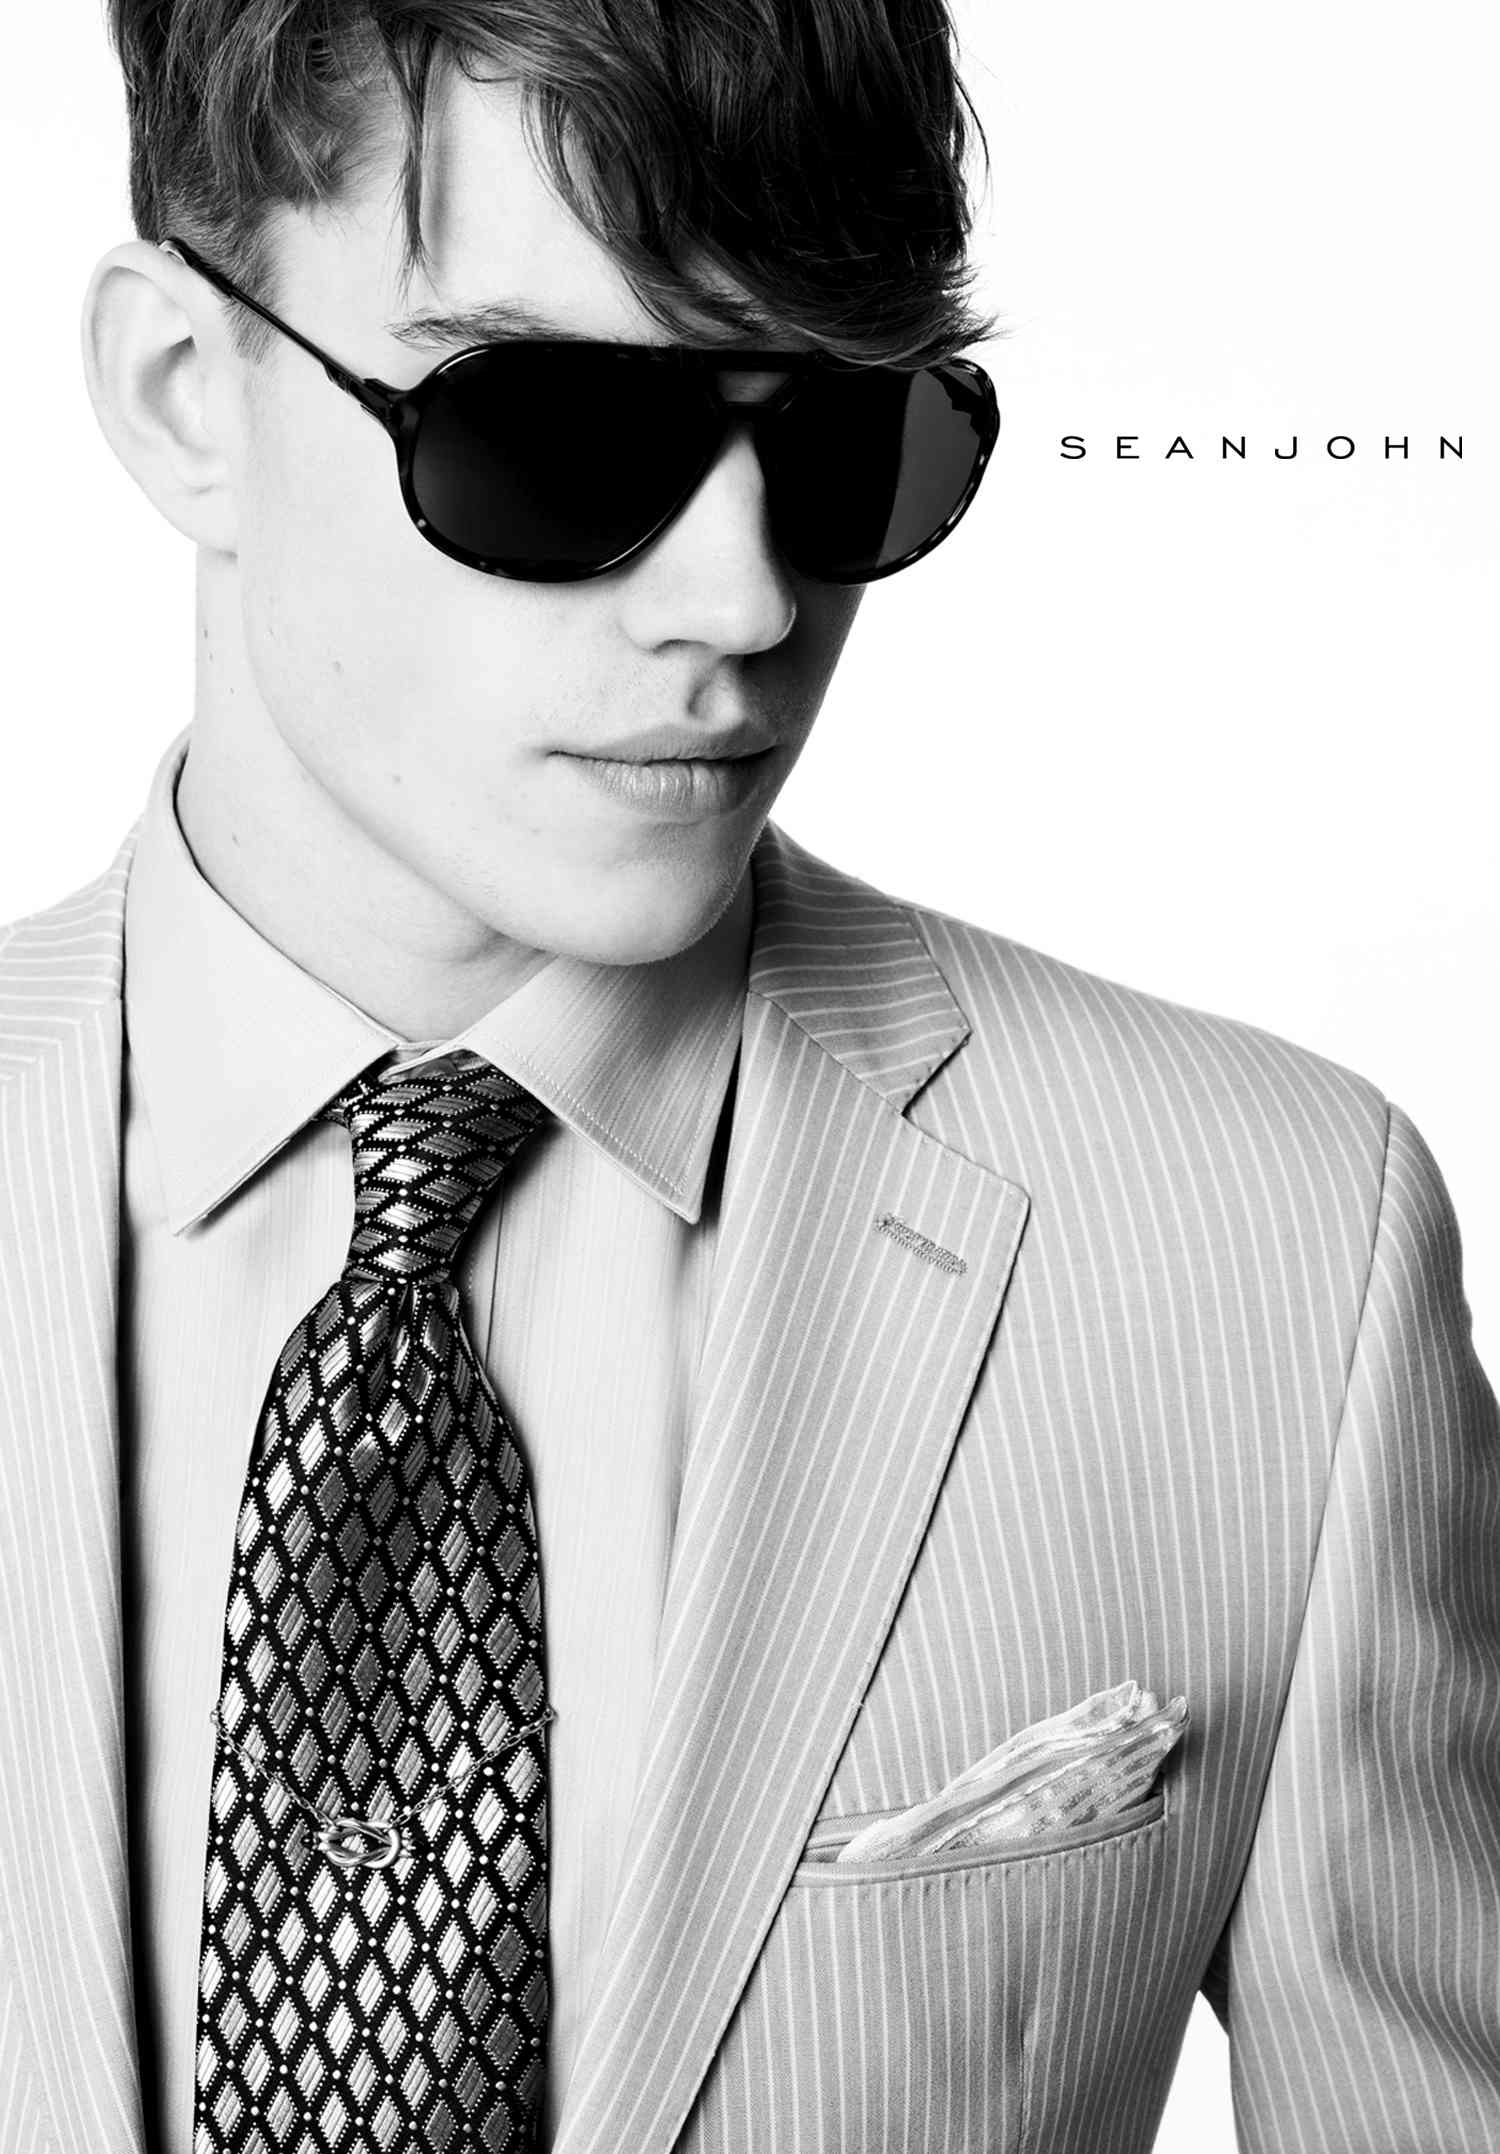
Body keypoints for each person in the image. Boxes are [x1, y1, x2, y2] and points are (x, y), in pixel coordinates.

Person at [0, 2, 1494, 2150]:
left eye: (847, 440)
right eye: (552, 434)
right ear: (178, 393)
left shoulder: (1276, 1253)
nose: (743, 600)